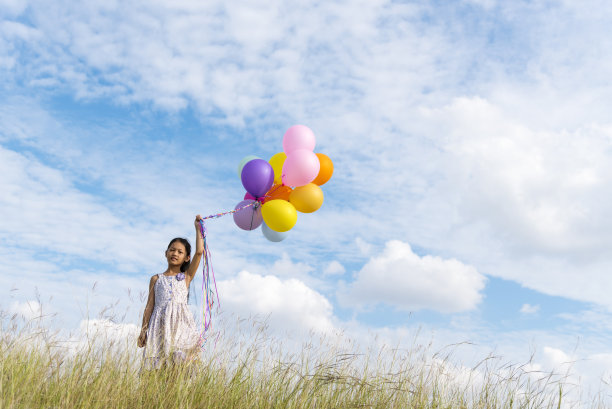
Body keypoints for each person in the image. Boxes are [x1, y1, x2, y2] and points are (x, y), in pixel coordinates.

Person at [137, 215, 204, 369]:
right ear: (166, 253)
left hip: (180, 326)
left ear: (187, 258)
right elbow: (149, 307)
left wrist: (198, 228)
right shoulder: (156, 279)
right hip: (159, 326)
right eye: (172, 250)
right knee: (158, 367)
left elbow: (199, 252)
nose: (175, 253)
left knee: (179, 365)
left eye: (180, 252)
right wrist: (143, 331)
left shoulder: (186, 277)